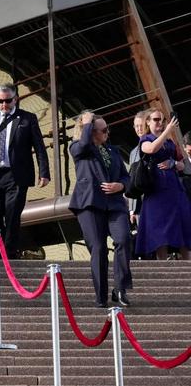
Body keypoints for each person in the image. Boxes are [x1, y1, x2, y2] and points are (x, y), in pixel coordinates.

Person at [0, 84, 50, 257]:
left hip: (16, 175)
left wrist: (44, 173)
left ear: (16, 99)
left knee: (13, 214)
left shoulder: (27, 119)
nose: (4, 105)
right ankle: (0, 251)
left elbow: (39, 148)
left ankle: (10, 254)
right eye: (0, 101)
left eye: (8, 101)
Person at [69, 112, 133, 308]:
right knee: (98, 248)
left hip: (114, 204)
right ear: (91, 132)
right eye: (103, 130)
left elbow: (126, 177)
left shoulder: (113, 151)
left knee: (123, 238)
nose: (107, 133)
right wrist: (86, 123)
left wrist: (120, 186)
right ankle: (101, 295)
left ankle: (120, 289)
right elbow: (83, 145)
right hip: (89, 204)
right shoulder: (79, 148)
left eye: (108, 129)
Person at [134, 110, 191, 261]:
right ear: (148, 122)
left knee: (184, 225)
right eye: (156, 119)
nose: (160, 122)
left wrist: (174, 163)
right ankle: (163, 267)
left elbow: (181, 165)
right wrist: (167, 131)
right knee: (160, 232)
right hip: (157, 191)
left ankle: (187, 266)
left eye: (163, 120)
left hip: (174, 189)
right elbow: (151, 149)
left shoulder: (169, 142)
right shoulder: (145, 139)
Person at [128, 109, 150, 236]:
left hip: (152, 196)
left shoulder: (154, 144)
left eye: (141, 125)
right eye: (136, 126)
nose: (139, 129)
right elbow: (132, 179)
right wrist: (131, 210)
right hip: (139, 204)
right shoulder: (133, 152)